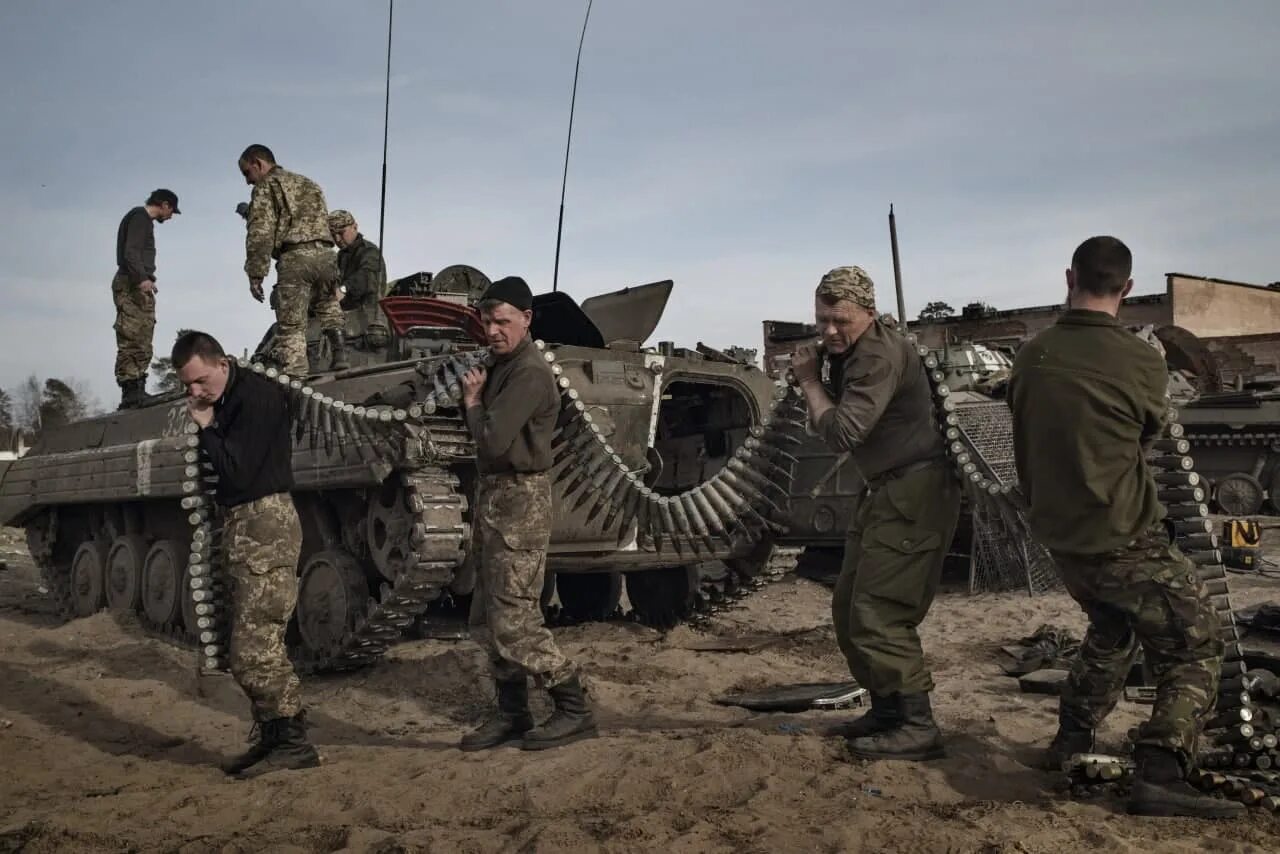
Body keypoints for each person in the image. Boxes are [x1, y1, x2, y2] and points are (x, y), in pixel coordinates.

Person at [1009, 237, 1239, 818]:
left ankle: (1071, 741)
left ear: (1070, 277)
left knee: (1112, 628)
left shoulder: (1030, 356)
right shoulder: (1141, 360)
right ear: (1129, 289)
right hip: (1122, 535)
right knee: (1197, 644)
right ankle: (1162, 769)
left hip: (1060, 539)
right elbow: (1146, 435)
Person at [791, 266, 959, 762]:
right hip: (886, 489)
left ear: (869, 311)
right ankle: (888, 711)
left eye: (839, 320)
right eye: (822, 320)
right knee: (848, 607)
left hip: (915, 491)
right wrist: (820, 361)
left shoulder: (879, 356)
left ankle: (916, 724)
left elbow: (843, 433)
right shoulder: (855, 347)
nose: (828, 331)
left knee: (880, 612)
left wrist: (808, 382)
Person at [458, 276, 597, 752]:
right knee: (488, 613)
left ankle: (573, 708)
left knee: (515, 616)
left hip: (519, 498)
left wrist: (473, 403)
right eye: (487, 320)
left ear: (526, 320)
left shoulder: (529, 372)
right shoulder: (502, 365)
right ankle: (513, 713)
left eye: (503, 321)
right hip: (496, 494)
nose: (493, 330)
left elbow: (494, 439)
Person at [172, 330, 319, 779]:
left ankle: (294, 742)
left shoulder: (255, 398)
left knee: (254, 650)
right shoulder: (231, 395)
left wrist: (205, 425)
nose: (196, 392)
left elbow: (237, 470)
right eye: (188, 386)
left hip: (266, 525)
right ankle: (275, 737)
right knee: (255, 643)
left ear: (221, 363)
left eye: (200, 380)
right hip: (246, 525)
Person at [237, 144, 347, 375]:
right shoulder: (308, 183)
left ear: (259, 163)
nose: (248, 181)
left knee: (291, 327)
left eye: (248, 173)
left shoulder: (267, 186)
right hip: (327, 255)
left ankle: (297, 378)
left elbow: (261, 232)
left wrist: (256, 274)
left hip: (296, 257)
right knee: (327, 303)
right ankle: (340, 354)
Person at [113, 189, 179, 409]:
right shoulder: (140, 218)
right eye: (171, 211)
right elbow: (130, 252)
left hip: (136, 283)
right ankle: (131, 391)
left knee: (142, 336)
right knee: (133, 336)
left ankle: (137, 388)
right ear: (164, 204)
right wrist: (141, 279)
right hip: (132, 283)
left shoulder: (142, 220)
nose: (170, 217)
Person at [328, 210, 390, 356]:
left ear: (354, 227)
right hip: (344, 319)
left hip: (367, 321)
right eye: (333, 234)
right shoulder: (339, 257)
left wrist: (343, 290)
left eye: (341, 232)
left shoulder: (369, 251)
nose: (337, 238)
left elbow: (367, 277)